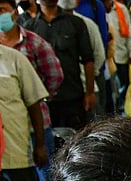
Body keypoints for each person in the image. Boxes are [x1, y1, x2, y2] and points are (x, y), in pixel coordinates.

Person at [0, 0, 62, 181]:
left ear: (15, 13)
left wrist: (39, 144)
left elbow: (36, 101)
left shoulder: (15, 58)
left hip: (18, 147)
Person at [23, 0, 95, 130]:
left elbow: (88, 59)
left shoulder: (75, 23)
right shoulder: (29, 27)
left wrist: (90, 92)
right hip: (43, 100)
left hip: (73, 96)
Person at [104, 0, 131, 113]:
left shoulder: (121, 9)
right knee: (111, 89)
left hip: (122, 55)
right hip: (107, 59)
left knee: (124, 87)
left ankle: (124, 111)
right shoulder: (98, 10)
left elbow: (129, 32)